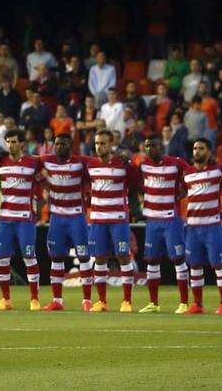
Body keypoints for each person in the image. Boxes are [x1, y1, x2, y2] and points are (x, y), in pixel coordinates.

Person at [83, 129, 138, 312]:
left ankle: (127, 301)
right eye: (97, 143)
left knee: (123, 257)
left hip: (118, 220)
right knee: (99, 259)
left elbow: (136, 180)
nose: (99, 147)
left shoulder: (121, 163)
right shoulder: (90, 165)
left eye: (103, 143)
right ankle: (102, 301)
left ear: (111, 144)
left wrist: (129, 164)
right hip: (98, 220)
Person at [136, 136, 191, 313]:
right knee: (152, 261)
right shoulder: (143, 165)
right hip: (152, 220)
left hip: (171, 220)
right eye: (147, 146)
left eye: (153, 145)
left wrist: (182, 192)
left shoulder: (176, 163)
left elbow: (192, 177)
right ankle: (153, 303)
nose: (149, 149)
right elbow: (136, 182)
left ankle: (184, 303)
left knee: (178, 259)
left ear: (161, 146)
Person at [179, 137, 222, 314]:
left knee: (219, 265)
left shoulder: (218, 170)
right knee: (194, 265)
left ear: (209, 152)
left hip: (212, 227)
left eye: (201, 148)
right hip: (193, 227)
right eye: (195, 148)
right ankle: (197, 304)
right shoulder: (187, 173)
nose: (197, 151)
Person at [0, 131, 44, 310]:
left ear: (22, 144)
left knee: (29, 258)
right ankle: (5, 299)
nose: (11, 145)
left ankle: (34, 299)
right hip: (5, 219)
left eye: (14, 142)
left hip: (25, 219)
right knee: (2, 260)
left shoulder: (32, 163)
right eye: (8, 142)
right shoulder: (0, 163)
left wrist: (40, 202)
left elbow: (44, 172)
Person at [41, 133, 91, 310]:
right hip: (56, 218)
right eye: (56, 143)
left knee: (84, 258)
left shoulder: (81, 161)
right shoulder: (47, 160)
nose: (58, 146)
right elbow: (28, 162)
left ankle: (87, 301)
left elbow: (100, 164)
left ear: (70, 146)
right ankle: (57, 301)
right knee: (56, 258)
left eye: (62, 144)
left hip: (77, 217)